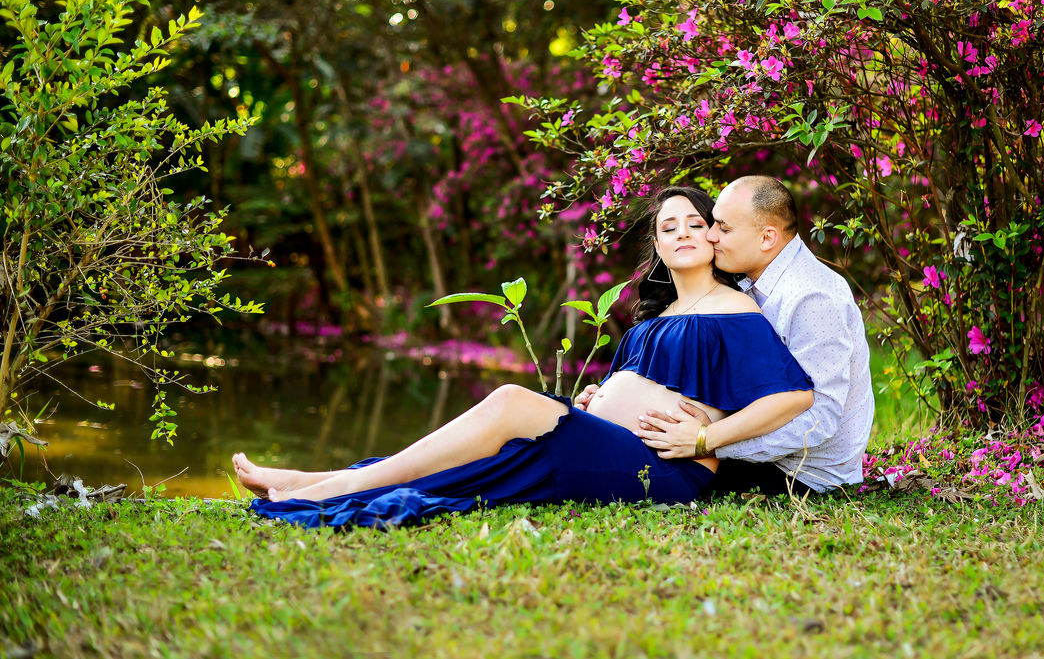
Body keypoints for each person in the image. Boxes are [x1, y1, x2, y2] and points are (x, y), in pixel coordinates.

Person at [232, 186, 817, 529]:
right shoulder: (652, 320)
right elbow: (640, 388)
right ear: (659, 248)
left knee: (511, 401)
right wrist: (597, 398)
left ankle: (326, 489)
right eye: (669, 227)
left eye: (697, 222)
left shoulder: (733, 310)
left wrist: (704, 441)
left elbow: (794, 394)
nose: (684, 231)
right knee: (479, 453)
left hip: (666, 472)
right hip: (615, 445)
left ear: (714, 238)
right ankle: (319, 478)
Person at [583, 176, 874, 495]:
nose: (709, 235)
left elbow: (821, 417)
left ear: (767, 238)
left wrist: (707, 441)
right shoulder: (749, 284)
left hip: (798, 474)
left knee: (627, 472)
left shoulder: (811, 297)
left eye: (723, 228)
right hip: (750, 453)